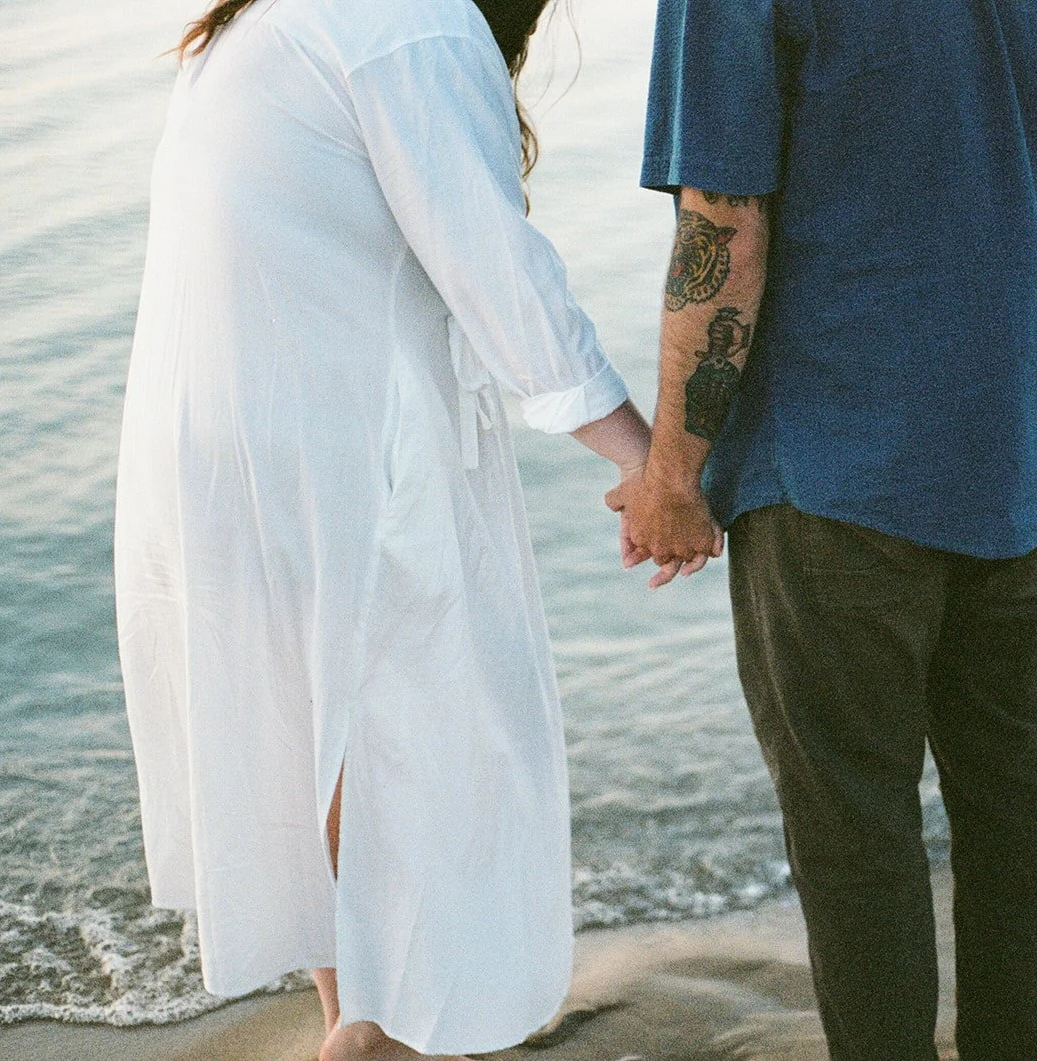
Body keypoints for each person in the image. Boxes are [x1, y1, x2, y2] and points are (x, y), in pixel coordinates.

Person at [112, 0, 673, 1058]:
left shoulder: (274, 18)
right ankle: (377, 1026)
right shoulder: (409, 20)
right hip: (317, 436)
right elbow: (497, 273)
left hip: (214, 433)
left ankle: (356, 1021)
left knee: (304, 728)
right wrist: (646, 460)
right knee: (401, 732)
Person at [607, 1, 1037, 1058]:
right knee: (1011, 792)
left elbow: (722, 218)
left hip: (843, 458)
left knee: (852, 821)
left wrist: (671, 468)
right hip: (1020, 423)